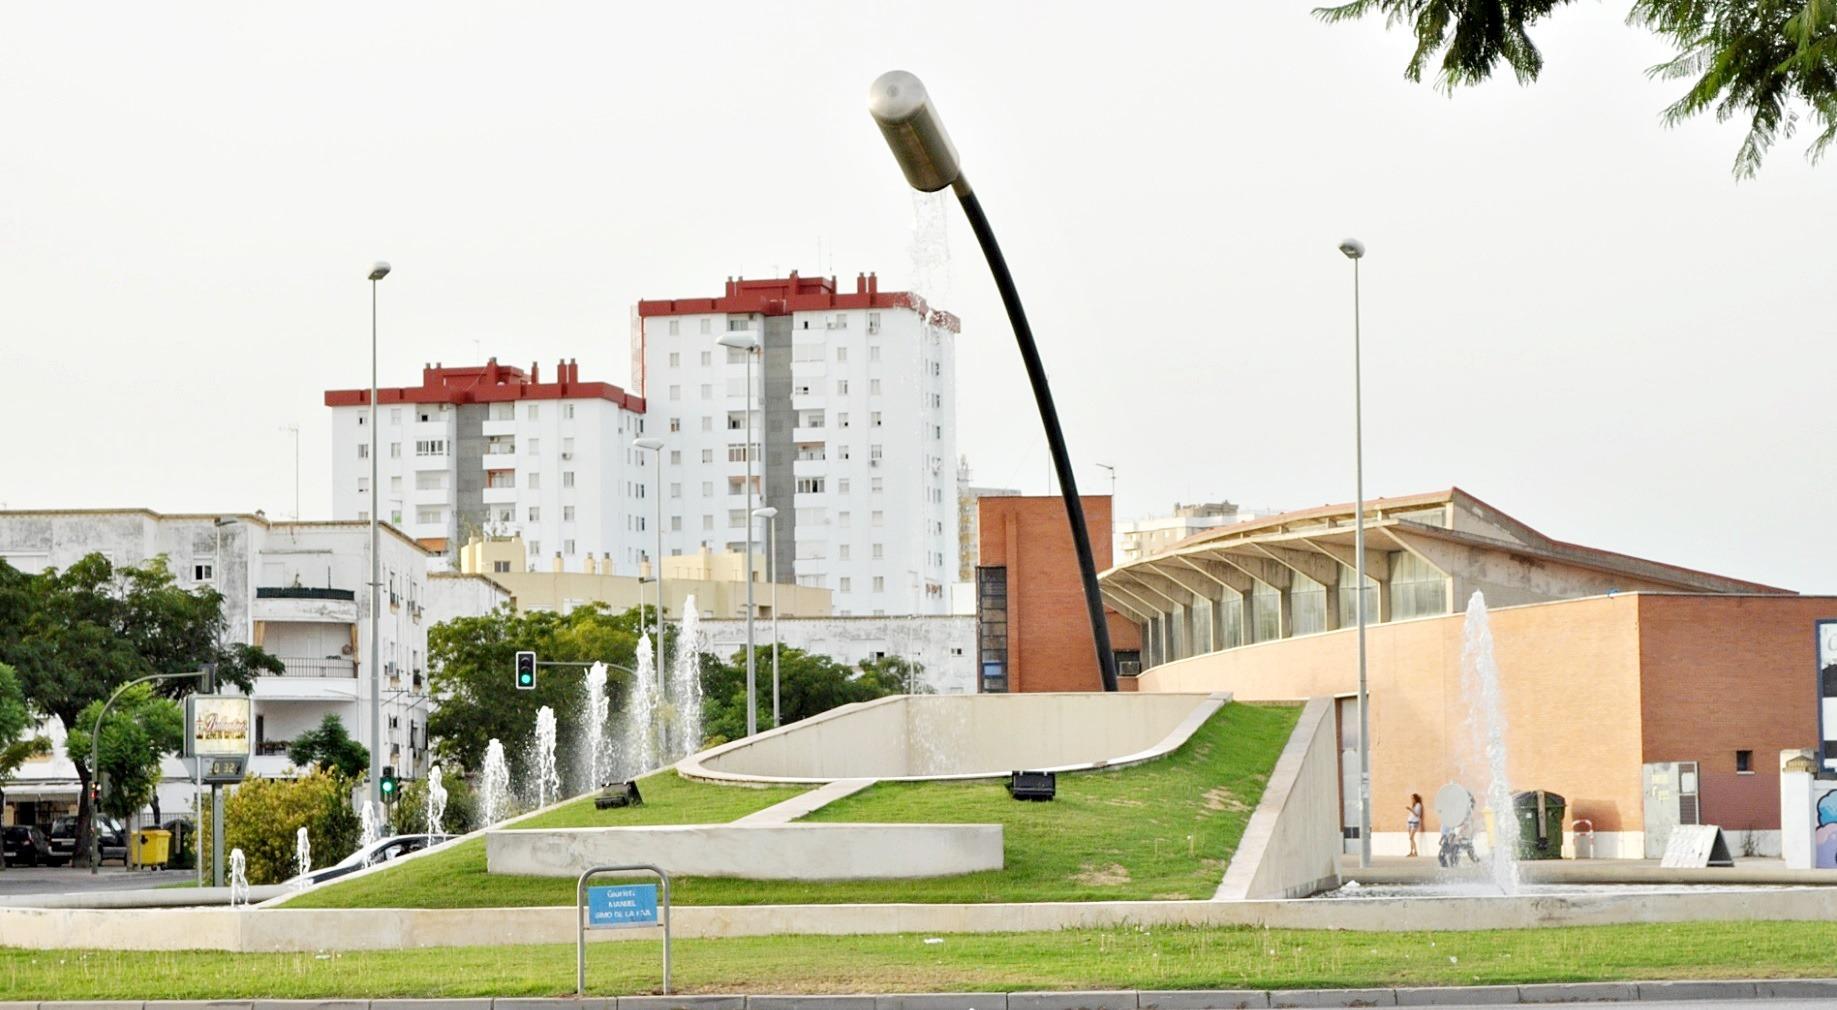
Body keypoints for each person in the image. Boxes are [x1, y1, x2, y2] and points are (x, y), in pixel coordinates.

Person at [1406, 792, 1424, 857]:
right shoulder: (1414, 805)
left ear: (1416, 798)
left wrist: (1410, 809)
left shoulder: (1418, 805)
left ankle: (1415, 852)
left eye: (1413, 798)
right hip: (1410, 821)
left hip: (1415, 822)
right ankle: (1411, 851)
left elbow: (1417, 814)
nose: (1412, 799)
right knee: (1411, 838)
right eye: (1411, 798)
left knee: (1411, 837)